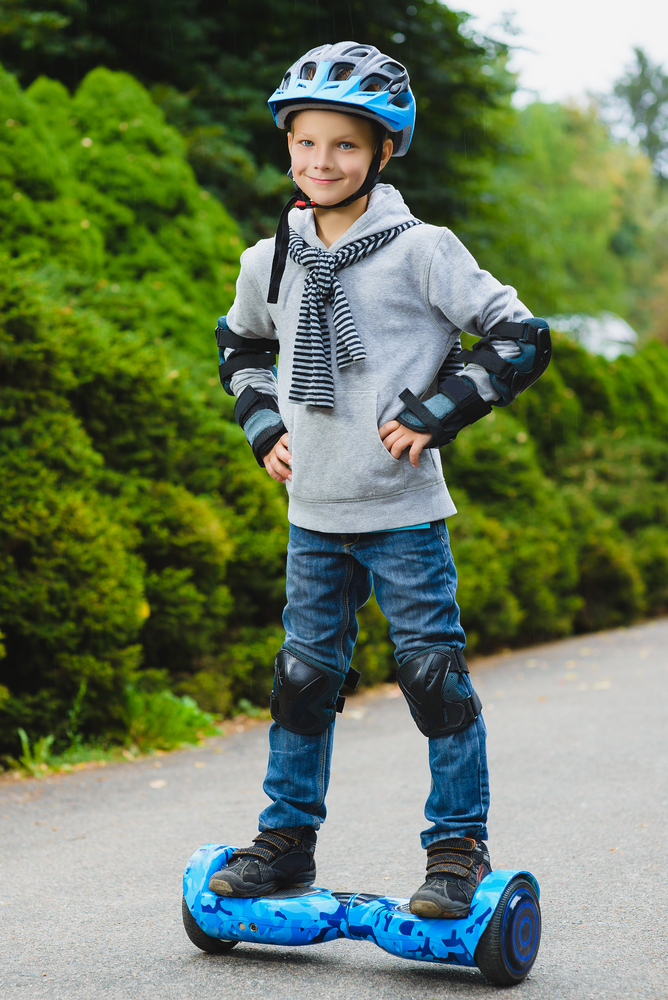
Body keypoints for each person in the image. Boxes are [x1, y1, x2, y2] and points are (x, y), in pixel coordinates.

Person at [208, 41, 550, 919]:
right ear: (288, 144)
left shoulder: (421, 250)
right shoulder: (270, 258)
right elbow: (241, 346)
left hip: (402, 512)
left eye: (346, 148)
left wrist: (438, 412)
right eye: (307, 144)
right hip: (314, 510)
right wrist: (263, 424)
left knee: (431, 675)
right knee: (303, 678)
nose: (322, 163)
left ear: (384, 152)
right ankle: (285, 843)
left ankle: (456, 852)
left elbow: (519, 337)